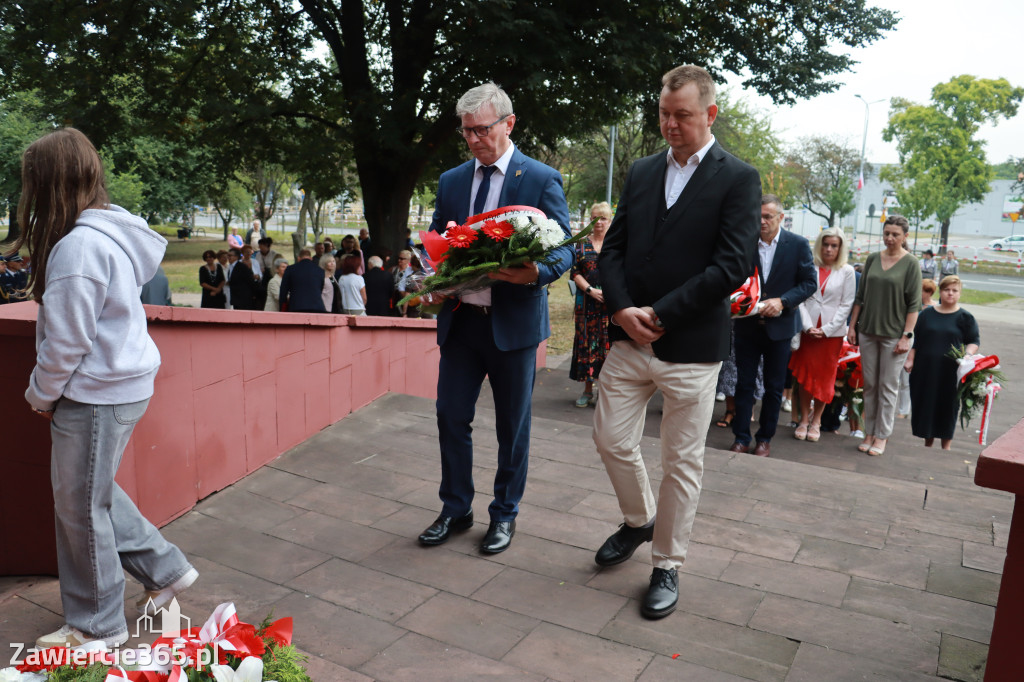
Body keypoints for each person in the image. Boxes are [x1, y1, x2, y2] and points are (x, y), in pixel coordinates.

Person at [12, 128, 197, 650]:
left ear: (46, 184)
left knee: (79, 508)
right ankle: (166, 572)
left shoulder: (77, 249)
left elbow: (66, 344)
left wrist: (39, 394)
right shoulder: (108, 234)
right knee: (93, 493)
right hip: (118, 386)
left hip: (95, 393)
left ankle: (96, 625)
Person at [592, 65, 760, 620]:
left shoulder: (737, 177)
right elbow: (612, 249)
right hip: (628, 339)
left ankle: (667, 563)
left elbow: (733, 265)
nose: (670, 124)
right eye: (664, 114)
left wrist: (661, 313)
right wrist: (621, 308)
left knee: (681, 462)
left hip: (691, 347)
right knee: (612, 440)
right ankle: (639, 521)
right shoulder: (641, 172)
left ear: (710, 114)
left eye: (682, 115)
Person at [417, 81, 572, 555]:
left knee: (513, 426)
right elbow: (439, 243)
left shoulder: (541, 178)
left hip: (514, 327)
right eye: (466, 132)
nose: (473, 139)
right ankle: (456, 508)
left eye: (482, 129)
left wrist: (532, 274)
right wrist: (433, 279)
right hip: (462, 322)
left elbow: (565, 249)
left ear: (508, 124)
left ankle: (504, 514)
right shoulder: (452, 181)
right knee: (450, 416)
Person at [729, 195, 816, 457]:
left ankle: (765, 438)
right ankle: (741, 437)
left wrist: (783, 301)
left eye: (767, 216)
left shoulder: (797, 245)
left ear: (780, 217)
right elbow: (733, 277)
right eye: (758, 216)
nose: (762, 221)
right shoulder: (744, 244)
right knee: (743, 384)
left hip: (780, 327)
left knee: (774, 386)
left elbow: (809, 283)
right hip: (747, 326)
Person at [847, 214, 921, 456]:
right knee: (869, 385)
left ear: (905, 237)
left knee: (888, 386)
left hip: (894, 335)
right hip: (868, 331)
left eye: (895, 234)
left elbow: (914, 305)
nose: (889, 238)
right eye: (887, 233)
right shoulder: (872, 259)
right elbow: (861, 296)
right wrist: (852, 326)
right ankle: (869, 432)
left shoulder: (911, 263)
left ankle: (882, 435)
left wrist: (906, 337)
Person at [789, 227, 856, 442]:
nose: (829, 249)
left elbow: (846, 304)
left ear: (840, 248)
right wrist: (808, 326)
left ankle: (817, 420)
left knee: (825, 377)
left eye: (834, 245)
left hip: (831, 334)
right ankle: (803, 420)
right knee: (806, 376)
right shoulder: (810, 266)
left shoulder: (847, 271)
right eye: (825, 244)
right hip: (808, 329)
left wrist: (826, 330)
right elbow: (799, 296)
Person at [906, 275, 979, 449]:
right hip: (925, 369)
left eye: (954, 290)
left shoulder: (965, 317)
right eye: (947, 290)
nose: (950, 294)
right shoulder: (926, 315)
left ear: (960, 293)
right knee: (926, 403)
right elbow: (916, 340)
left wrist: (967, 355)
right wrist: (910, 359)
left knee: (948, 406)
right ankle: (928, 443)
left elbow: (974, 340)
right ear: (941, 291)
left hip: (950, 371)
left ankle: (946, 447)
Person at [569, 201, 612, 407]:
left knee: (608, 348)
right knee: (587, 346)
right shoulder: (581, 244)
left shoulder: (616, 244)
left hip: (610, 307)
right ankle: (587, 390)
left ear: (610, 221)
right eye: (594, 218)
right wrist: (591, 291)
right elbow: (575, 272)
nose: (598, 222)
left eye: (603, 218)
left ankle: (605, 392)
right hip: (586, 306)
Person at [898, 278, 937, 418]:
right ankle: (903, 410)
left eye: (924, 290)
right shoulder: (912, 306)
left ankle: (906, 410)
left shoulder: (933, 308)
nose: (920, 293)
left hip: (923, 345)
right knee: (903, 378)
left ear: (930, 293)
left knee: (910, 379)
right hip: (908, 341)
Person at [279, 248, 327, 313]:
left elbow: (283, 292)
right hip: (317, 307)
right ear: (311, 258)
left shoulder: (290, 269)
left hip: (296, 307)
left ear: (298, 258)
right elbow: (320, 289)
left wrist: (282, 308)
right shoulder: (320, 271)